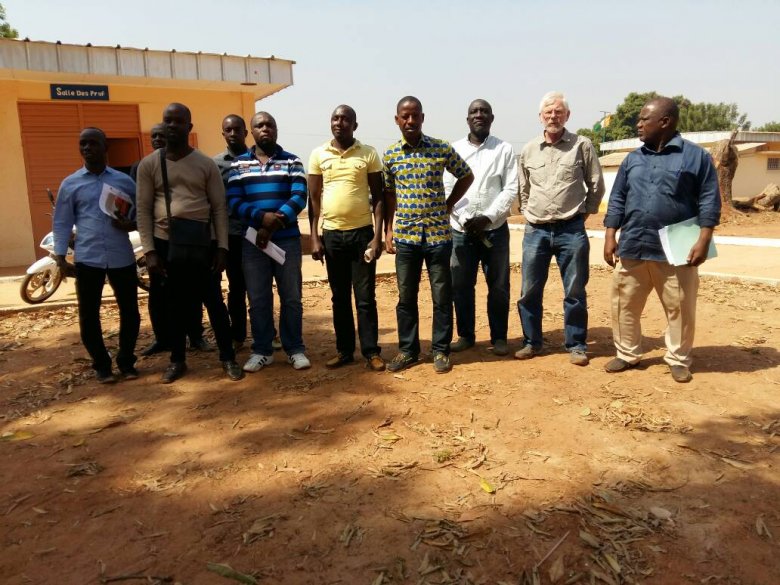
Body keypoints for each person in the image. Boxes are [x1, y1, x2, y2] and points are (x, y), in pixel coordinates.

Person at [604, 96, 721, 383]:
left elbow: (709, 200)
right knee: (624, 304)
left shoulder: (696, 157)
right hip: (633, 245)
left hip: (676, 251)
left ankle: (678, 359)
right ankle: (627, 353)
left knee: (680, 307)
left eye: (644, 119)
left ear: (665, 122)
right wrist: (610, 234)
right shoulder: (632, 159)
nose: (638, 124)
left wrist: (704, 239)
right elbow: (617, 198)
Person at [136, 103, 243, 383]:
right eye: (167, 120)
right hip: (165, 245)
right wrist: (149, 251)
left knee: (215, 304)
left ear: (189, 127)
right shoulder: (150, 164)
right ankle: (177, 360)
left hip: (201, 245)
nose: (172, 125)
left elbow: (219, 208)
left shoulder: (205, 164)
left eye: (178, 121)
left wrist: (222, 248)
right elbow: (143, 210)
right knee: (174, 306)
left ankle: (228, 358)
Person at [383, 96, 473, 374]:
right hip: (406, 237)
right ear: (397, 120)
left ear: (423, 118)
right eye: (405, 116)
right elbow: (389, 195)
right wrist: (388, 229)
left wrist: (448, 205)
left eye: (415, 116)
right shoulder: (390, 155)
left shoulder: (440, 148)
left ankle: (440, 350)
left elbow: (466, 175)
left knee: (441, 296)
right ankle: (408, 351)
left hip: (437, 236)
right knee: (406, 297)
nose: (410, 121)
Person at [516, 91, 605, 366]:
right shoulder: (529, 150)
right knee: (529, 291)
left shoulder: (582, 145)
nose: (553, 116)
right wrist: (529, 211)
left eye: (558, 112)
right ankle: (532, 342)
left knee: (575, 291)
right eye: (548, 112)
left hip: (571, 230)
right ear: (540, 117)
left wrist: (585, 212)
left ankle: (576, 345)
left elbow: (596, 184)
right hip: (536, 231)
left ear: (567, 115)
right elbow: (523, 189)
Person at [53, 127, 140, 383]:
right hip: (87, 258)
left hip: (121, 255)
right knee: (89, 314)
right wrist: (60, 257)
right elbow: (62, 222)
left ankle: (126, 361)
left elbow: (139, 214)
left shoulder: (125, 181)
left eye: (93, 143)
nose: (87, 148)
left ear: (105, 147)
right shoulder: (70, 184)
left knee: (130, 311)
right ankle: (101, 365)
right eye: (83, 144)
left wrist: (131, 224)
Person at [226, 111, 310, 372]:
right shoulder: (238, 165)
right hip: (254, 244)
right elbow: (234, 201)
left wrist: (274, 223)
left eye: (269, 125)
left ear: (276, 129)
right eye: (259, 125)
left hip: (287, 241)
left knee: (291, 297)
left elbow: (299, 196)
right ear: (251, 132)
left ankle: (294, 348)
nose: (265, 129)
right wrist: (262, 219)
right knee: (258, 299)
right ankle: (262, 350)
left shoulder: (292, 160)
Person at [308, 105, 386, 371]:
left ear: (355, 125)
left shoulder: (368, 153)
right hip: (332, 236)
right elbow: (314, 199)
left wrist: (377, 237)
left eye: (345, 119)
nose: (339, 123)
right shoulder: (319, 154)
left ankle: (371, 352)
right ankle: (344, 351)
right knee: (339, 297)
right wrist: (315, 237)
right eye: (335, 118)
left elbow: (379, 198)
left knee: (365, 298)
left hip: (362, 234)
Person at [444, 99, 518, 357]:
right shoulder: (453, 149)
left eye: (484, 111)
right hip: (461, 230)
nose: (479, 115)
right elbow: (447, 187)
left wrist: (487, 217)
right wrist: (465, 218)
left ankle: (499, 337)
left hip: (494, 230)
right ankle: (466, 336)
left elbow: (510, 188)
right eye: (474, 112)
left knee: (498, 286)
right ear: (467, 119)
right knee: (461, 286)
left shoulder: (504, 149)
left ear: (491, 118)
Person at [137, 124, 210, 357]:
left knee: (192, 292)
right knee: (159, 294)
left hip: (188, 239)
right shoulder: (144, 166)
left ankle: (196, 336)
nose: (158, 139)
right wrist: (149, 249)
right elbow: (141, 207)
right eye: (154, 136)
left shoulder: (192, 163)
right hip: (159, 241)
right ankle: (162, 339)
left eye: (162, 135)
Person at [213, 114, 250, 350]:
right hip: (231, 236)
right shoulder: (215, 164)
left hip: (257, 233)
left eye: (238, 129)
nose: (233, 133)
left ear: (246, 133)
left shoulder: (257, 159)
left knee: (260, 287)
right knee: (236, 288)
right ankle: (238, 336)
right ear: (223, 134)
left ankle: (268, 333)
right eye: (229, 130)